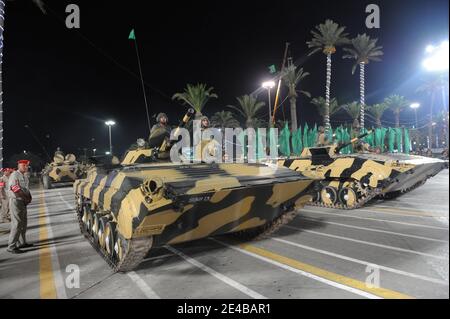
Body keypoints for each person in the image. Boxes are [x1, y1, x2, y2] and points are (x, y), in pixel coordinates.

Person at [7, 160, 33, 254]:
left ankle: (22, 242)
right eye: (24, 166)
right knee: (17, 224)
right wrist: (25, 198)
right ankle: (12, 246)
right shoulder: (14, 175)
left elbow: (26, 188)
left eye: (27, 166)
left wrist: (29, 197)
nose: (26, 167)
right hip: (16, 201)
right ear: (19, 166)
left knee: (23, 223)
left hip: (23, 202)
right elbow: (15, 189)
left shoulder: (25, 176)